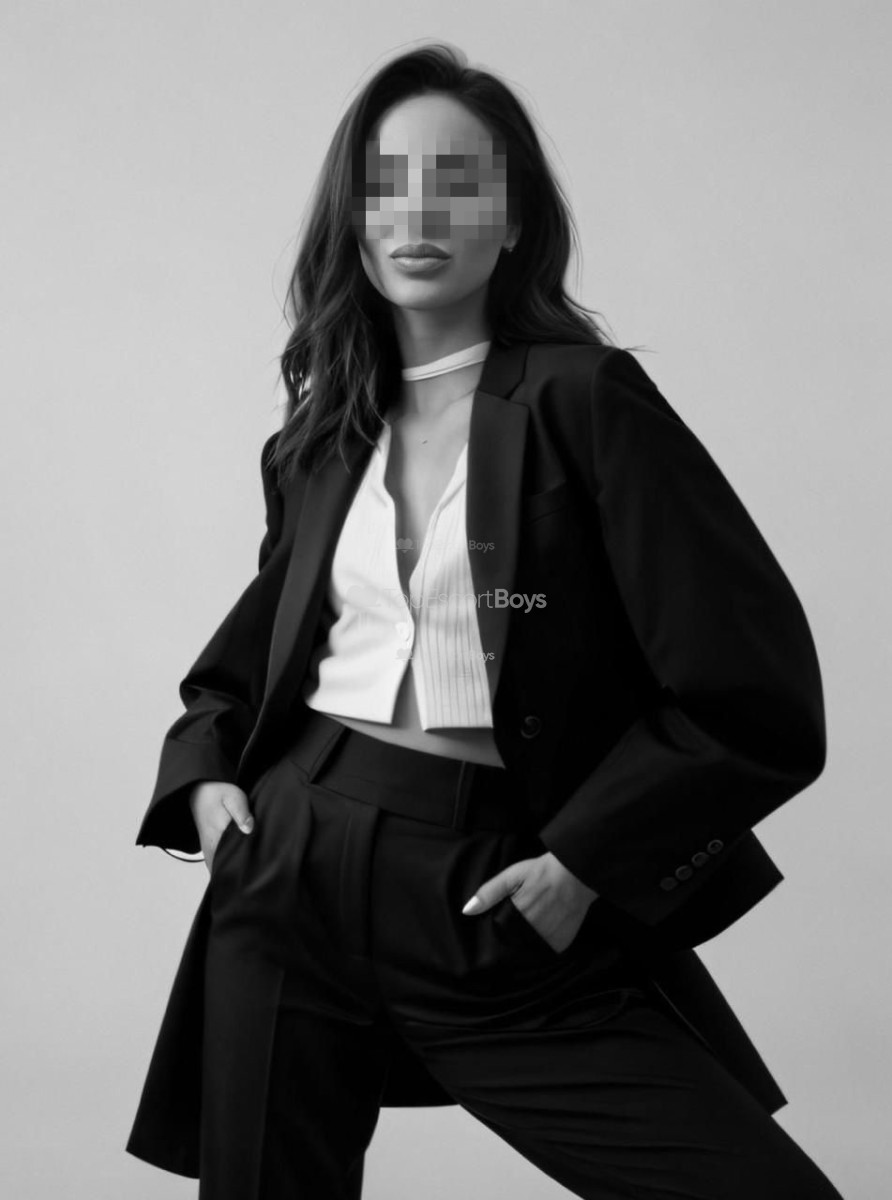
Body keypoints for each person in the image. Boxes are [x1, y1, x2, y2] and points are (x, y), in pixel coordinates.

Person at [126, 42, 846, 1200]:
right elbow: (252, 661)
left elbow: (750, 695)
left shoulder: (584, 401)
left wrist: (584, 865)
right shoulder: (321, 435)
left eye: (457, 184)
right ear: (354, 216)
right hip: (288, 865)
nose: (419, 215)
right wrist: (206, 784)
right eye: (388, 184)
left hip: (486, 888)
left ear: (510, 222)